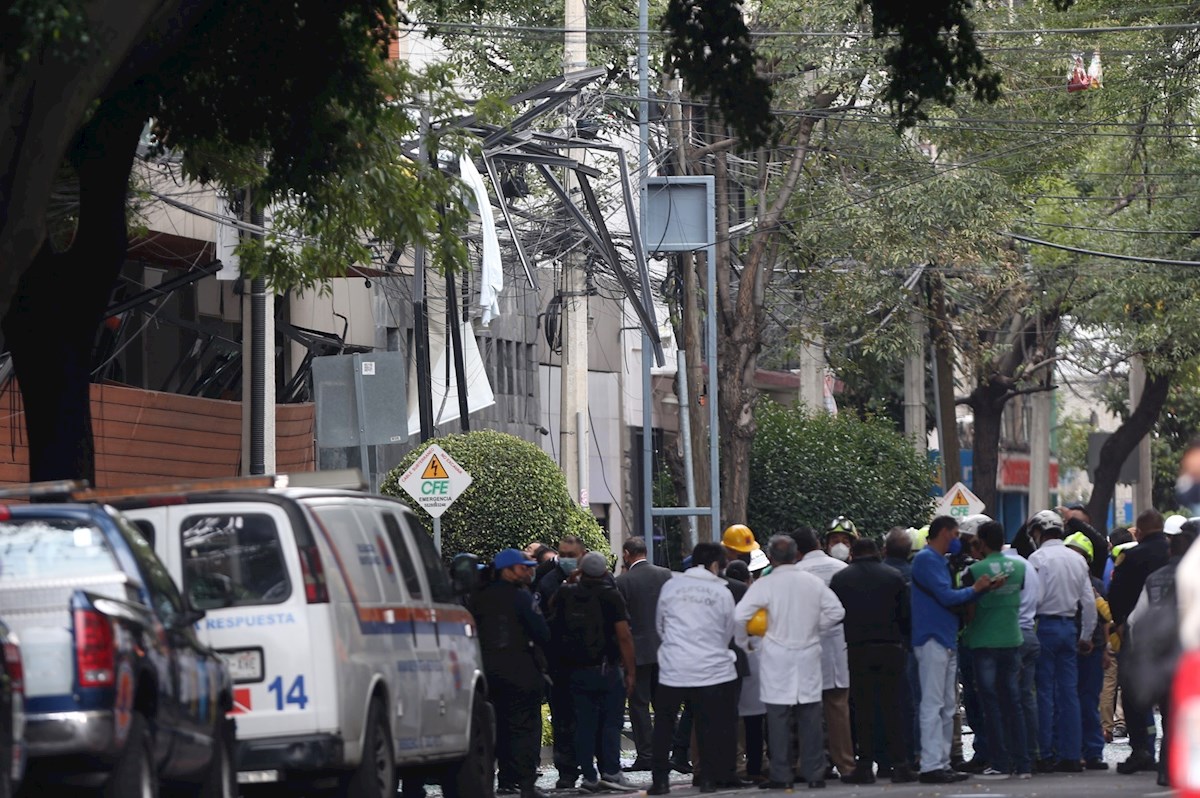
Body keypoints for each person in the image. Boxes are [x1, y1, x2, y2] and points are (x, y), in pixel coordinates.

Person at [735, 535, 846, 790]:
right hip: (808, 653)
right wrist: (816, 628)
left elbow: (740, 616)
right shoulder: (811, 582)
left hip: (777, 657)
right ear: (797, 555)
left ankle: (781, 773)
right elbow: (837, 612)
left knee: (778, 717)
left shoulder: (765, 584)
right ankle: (814, 773)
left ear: (771, 558)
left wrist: (746, 645)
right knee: (810, 716)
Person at [648, 543, 743, 795]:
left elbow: (660, 624)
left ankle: (660, 780)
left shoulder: (671, 586)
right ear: (715, 565)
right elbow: (728, 630)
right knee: (706, 724)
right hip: (709, 668)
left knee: (664, 723)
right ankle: (708, 779)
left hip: (672, 666)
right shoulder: (721, 592)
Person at [911, 515, 995, 784]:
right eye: (957, 534)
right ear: (945, 532)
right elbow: (947, 596)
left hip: (945, 639)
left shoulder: (939, 561)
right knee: (934, 704)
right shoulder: (926, 560)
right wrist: (977, 588)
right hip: (932, 639)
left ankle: (942, 762)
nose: (959, 540)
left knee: (948, 706)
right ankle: (931, 765)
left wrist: (980, 590)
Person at [548, 551, 637, 793]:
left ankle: (588, 775)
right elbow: (624, 635)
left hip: (575, 670)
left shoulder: (567, 593)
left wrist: (571, 579)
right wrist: (630, 671)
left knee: (584, 724)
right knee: (611, 722)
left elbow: (551, 611)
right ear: (605, 571)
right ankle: (611, 771)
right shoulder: (611, 595)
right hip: (607, 668)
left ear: (581, 570)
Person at [829, 537, 915, 784]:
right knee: (893, 707)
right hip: (890, 647)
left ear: (853, 554)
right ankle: (898, 764)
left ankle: (865, 765)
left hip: (857, 649)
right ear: (877, 552)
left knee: (863, 708)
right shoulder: (893, 576)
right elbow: (905, 615)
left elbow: (836, 614)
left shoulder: (841, 579)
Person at [471, 549, 552, 798]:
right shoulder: (521, 597)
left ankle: (502, 780)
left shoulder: (478, 597)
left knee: (497, 729)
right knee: (525, 729)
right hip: (520, 671)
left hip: (486, 672)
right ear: (507, 570)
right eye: (522, 567)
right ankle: (525, 783)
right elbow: (541, 632)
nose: (528, 570)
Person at [1124, 522, 1196, 786]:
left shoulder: (1154, 579)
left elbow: (1134, 621)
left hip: (1166, 659)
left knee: (1169, 716)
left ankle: (1167, 769)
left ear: (1170, 552)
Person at [1027, 509, 1097, 774]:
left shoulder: (1037, 558)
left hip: (1043, 627)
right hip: (1069, 628)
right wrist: (1086, 636)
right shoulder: (1077, 560)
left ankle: (1044, 754)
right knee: (1069, 694)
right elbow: (1088, 603)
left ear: (1039, 532)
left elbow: (1032, 600)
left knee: (1044, 692)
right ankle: (1071, 755)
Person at [962, 521, 1029, 779]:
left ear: (981, 542)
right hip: (1012, 638)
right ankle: (1023, 763)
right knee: (1014, 703)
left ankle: (1000, 762)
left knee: (990, 705)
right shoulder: (1021, 567)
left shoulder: (974, 570)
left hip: (982, 641)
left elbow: (969, 608)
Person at [1109, 509, 1171, 775]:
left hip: (1138, 636)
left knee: (1134, 697)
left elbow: (1117, 595)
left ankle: (1142, 749)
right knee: (1171, 697)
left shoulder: (1131, 556)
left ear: (1140, 531)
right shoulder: (1174, 556)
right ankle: (1171, 749)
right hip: (1173, 637)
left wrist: (1121, 623)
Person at [791, 525, 855, 779]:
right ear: (819, 542)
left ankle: (809, 765)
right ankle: (847, 765)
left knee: (807, 711)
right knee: (838, 708)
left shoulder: (794, 574)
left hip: (803, 649)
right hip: (837, 648)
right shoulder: (843, 569)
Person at [615, 536, 673, 772]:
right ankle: (664, 752)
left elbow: (622, 620)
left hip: (637, 652)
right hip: (665, 648)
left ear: (627, 553)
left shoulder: (623, 581)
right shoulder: (666, 575)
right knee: (665, 705)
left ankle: (646, 754)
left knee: (639, 705)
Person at [536, 535, 588, 788]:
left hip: (588, 662)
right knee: (563, 719)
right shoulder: (548, 582)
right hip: (559, 664)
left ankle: (591, 768)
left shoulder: (595, 581)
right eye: (562, 554)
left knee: (589, 718)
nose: (566, 559)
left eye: (571, 554)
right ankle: (567, 771)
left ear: (582, 554)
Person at [1064, 532, 1111, 771]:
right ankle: (1073, 750)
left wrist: (1105, 650)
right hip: (1069, 648)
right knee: (1068, 699)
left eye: (1079, 555)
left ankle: (1093, 752)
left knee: (1088, 701)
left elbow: (1104, 620)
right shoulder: (1064, 581)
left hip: (1092, 651)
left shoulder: (1097, 585)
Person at [1003, 525, 1043, 770]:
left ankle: (1013, 755)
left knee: (1008, 699)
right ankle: (1033, 751)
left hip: (1010, 638)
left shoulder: (1000, 568)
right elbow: (1038, 601)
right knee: (1027, 698)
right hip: (1030, 634)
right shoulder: (1028, 566)